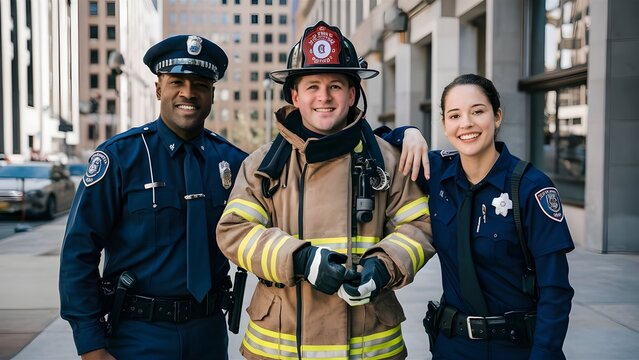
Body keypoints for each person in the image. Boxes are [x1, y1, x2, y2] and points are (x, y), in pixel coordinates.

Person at [216, 21, 434, 360]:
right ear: (294, 95)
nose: (324, 96)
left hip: (368, 345)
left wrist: (385, 265)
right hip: (280, 348)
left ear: (351, 94)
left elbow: (422, 224)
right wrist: (299, 259)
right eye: (313, 85)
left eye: (335, 86)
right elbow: (233, 232)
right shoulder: (261, 165)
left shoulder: (388, 160)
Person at [59, 34, 247, 360]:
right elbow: (79, 252)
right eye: (177, 82)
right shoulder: (120, 157)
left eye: (200, 84)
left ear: (212, 94)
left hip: (209, 335)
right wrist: (90, 342)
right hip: (137, 336)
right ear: (159, 88)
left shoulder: (233, 163)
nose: (188, 93)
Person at [379, 74, 574, 359]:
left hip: (516, 349)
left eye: (477, 112)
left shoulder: (531, 188)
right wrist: (408, 132)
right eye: (454, 115)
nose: (466, 124)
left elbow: (556, 292)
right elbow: (375, 142)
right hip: (451, 346)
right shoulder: (435, 173)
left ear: (497, 117)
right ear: (445, 125)